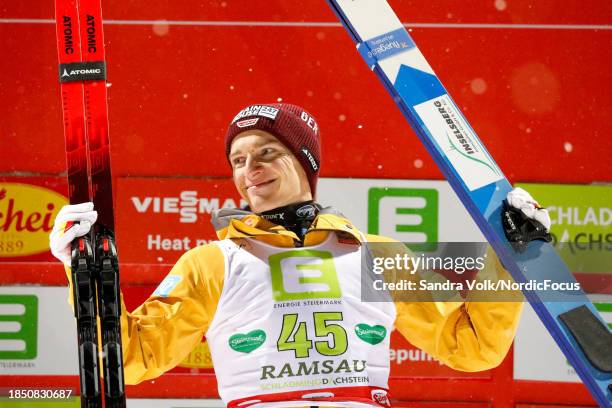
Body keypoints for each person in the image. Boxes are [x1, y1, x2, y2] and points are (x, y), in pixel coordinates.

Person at [50, 103, 550, 407]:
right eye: (238, 160)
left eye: (267, 151)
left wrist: (507, 259)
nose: (250, 169)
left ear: (305, 162)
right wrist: (82, 268)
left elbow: (472, 345)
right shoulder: (211, 263)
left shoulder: (377, 255)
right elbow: (131, 359)